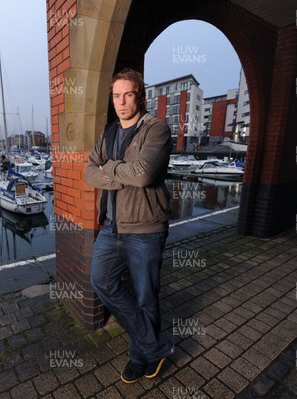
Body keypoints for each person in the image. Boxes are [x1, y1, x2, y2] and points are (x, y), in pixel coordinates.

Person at [85, 68, 173, 383]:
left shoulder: (156, 128)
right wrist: (121, 171)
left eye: (128, 94)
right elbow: (88, 173)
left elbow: (144, 175)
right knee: (101, 282)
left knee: (146, 297)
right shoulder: (108, 133)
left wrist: (109, 169)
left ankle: (139, 355)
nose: (122, 102)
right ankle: (157, 346)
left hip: (146, 230)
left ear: (140, 96)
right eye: (116, 96)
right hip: (110, 228)